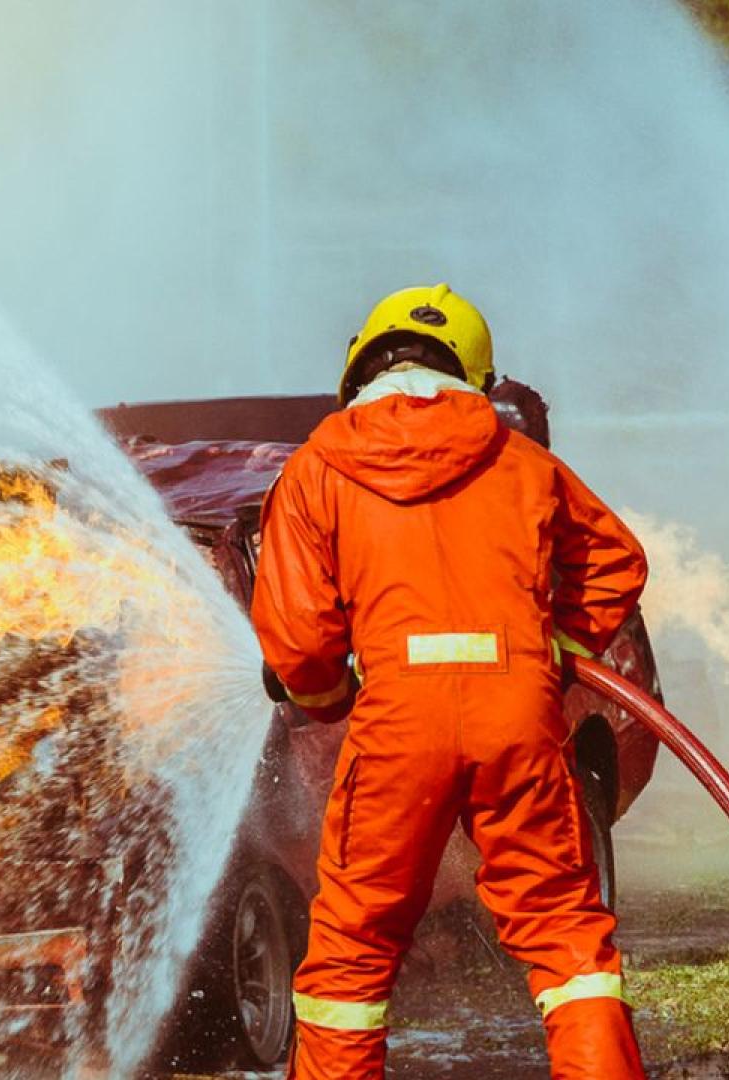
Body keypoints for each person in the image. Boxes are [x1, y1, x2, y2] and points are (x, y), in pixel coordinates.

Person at [251, 284, 648, 1079]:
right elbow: (614, 561)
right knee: (567, 939)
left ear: (360, 364)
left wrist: (331, 697)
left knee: (352, 952)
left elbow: (297, 643)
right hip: (517, 716)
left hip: (398, 727)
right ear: (473, 372)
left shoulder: (316, 468)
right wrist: (553, 654)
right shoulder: (525, 462)